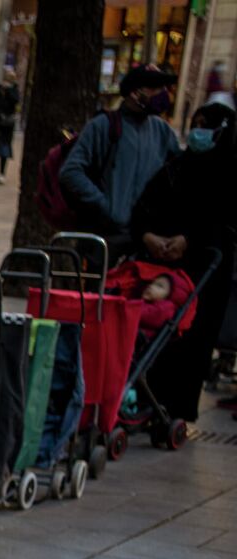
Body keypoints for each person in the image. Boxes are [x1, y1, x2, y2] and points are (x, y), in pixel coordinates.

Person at [129, 101, 235, 423]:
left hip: (206, 270)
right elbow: (145, 207)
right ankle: (148, 398)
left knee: (194, 338)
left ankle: (176, 407)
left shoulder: (227, 174)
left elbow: (224, 222)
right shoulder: (177, 167)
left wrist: (189, 240)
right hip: (165, 268)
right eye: (196, 123)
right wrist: (148, 236)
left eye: (206, 125)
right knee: (158, 328)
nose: (198, 132)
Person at [61, 65, 181, 253]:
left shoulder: (162, 131)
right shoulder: (102, 126)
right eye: (155, 88)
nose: (163, 94)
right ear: (135, 93)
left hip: (147, 240)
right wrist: (107, 207)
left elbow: (179, 174)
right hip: (108, 239)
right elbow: (71, 171)